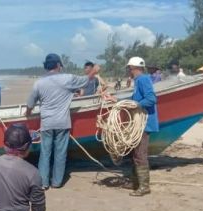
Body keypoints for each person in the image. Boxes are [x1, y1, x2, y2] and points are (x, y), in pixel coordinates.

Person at [25, 53, 99, 190]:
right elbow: (85, 80)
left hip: (46, 123)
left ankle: (43, 183)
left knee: (45, 153)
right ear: (58, 65)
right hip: (62, 123)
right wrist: (94, 70)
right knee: (60, 153)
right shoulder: (67, 79)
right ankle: (57, 182)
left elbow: (30, 104)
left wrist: (27, 114)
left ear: (46, 66)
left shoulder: (39, 83)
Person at [110, 57, 159, 196]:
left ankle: (144, 187)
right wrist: (118, 100)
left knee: (140, 154)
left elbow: (151, 99)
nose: (128, 71)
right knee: (135, 153)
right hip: (139, 123)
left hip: (143, 123)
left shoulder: (143, 80)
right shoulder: (139, 81)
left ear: (133, 68)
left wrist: (135, 105)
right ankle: (135, 182)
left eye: (128, 68)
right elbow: (135, 99)